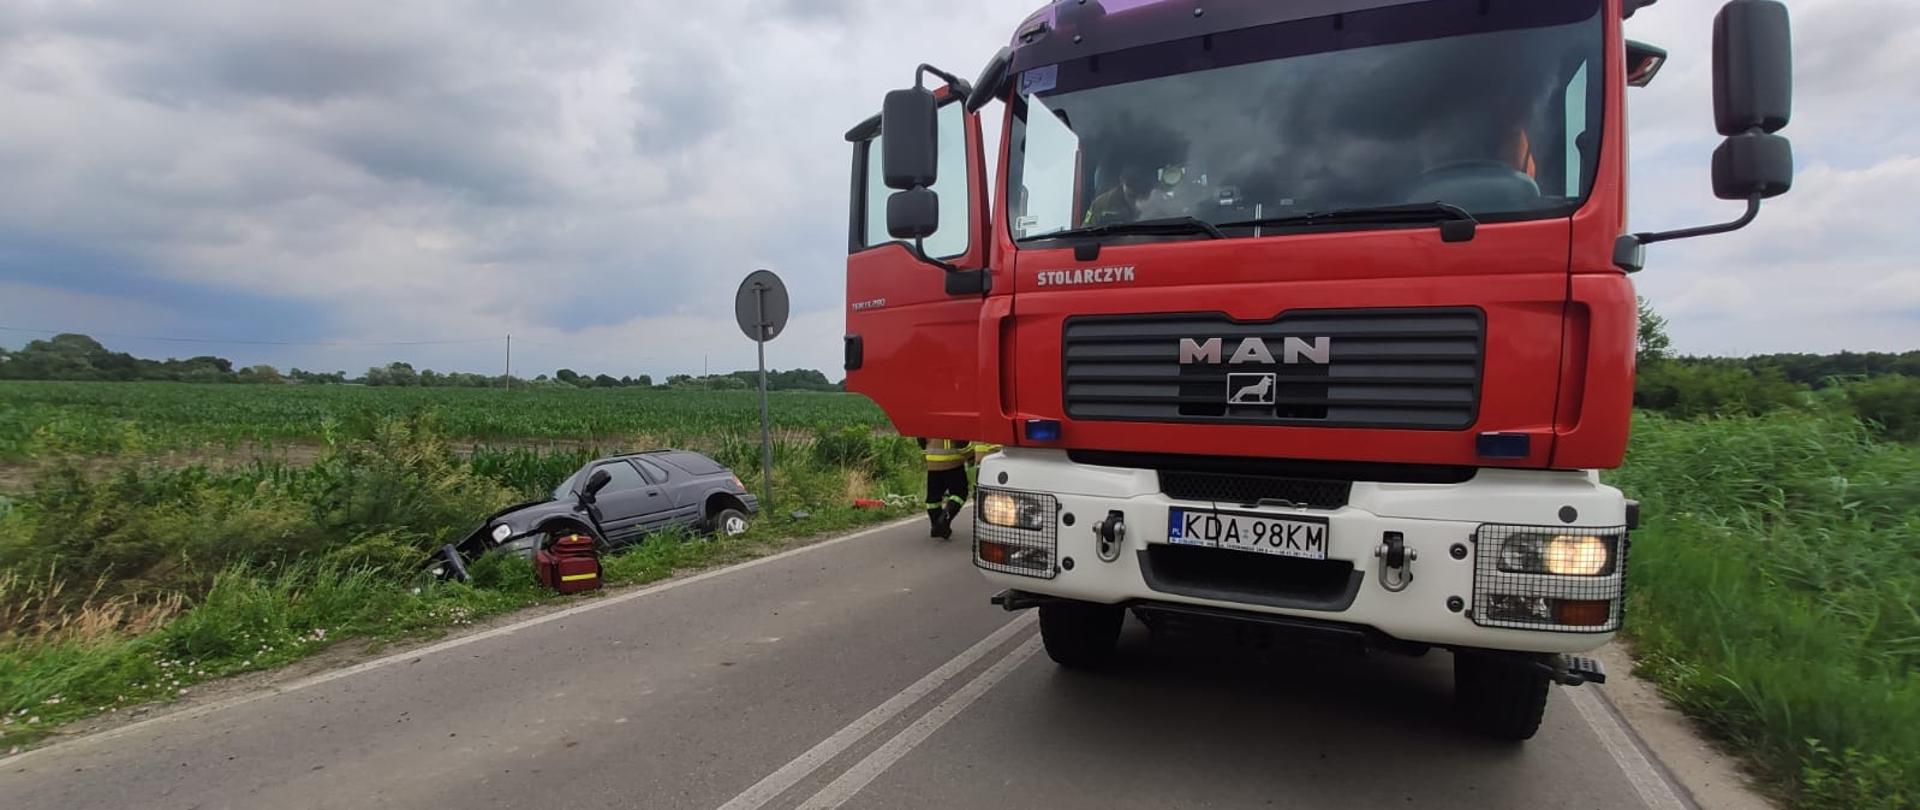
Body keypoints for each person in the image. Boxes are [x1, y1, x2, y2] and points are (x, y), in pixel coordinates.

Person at [919, 438, 974, 539]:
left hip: (932, 464)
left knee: (933, 499)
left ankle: (936, 527)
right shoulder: (952, 426)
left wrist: (927, 454)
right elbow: (962, 444)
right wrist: (971, 456)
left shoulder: (926, 426)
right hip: (953, 463)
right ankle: (944, 519)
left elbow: (920, 440)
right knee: (960, 493)